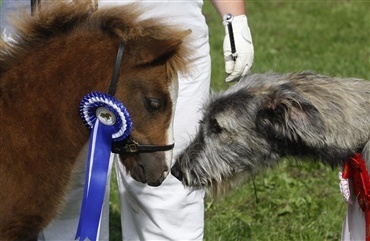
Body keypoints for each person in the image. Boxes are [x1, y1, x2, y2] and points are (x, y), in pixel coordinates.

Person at [1, 0, 253, 240]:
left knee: (167, 180)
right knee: (48, 189)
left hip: (167, 25)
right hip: (63, 27)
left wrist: (234, 17)